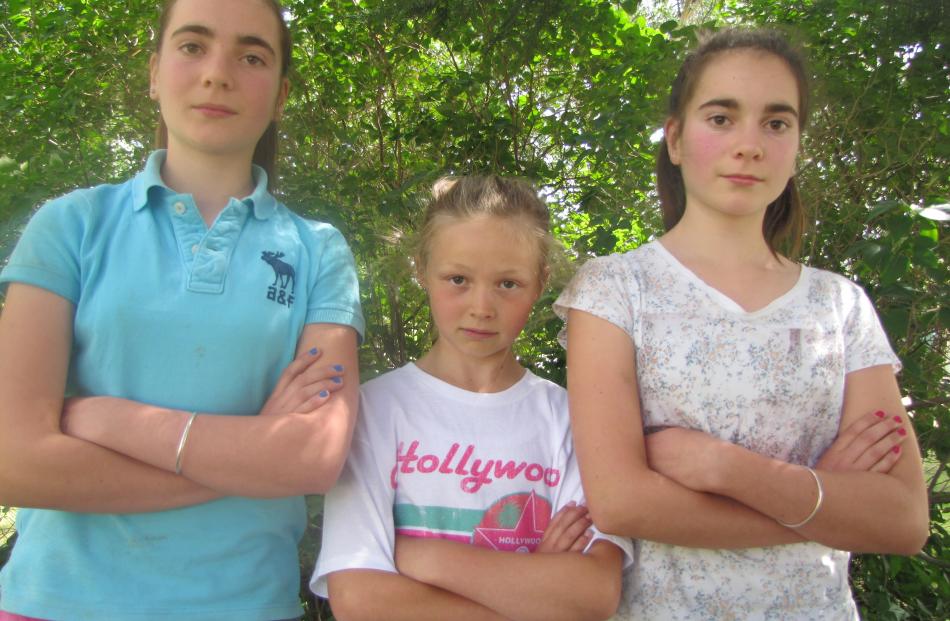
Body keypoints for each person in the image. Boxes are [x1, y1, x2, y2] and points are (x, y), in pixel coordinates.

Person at [0, 0, 363, 619]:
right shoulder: (70, 226)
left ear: (279, 96)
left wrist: (103, 418)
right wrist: (253, 457)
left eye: (252, 56)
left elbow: (310, 457)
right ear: (153, 72)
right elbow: (15, 462)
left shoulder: (317, 250)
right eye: (193, 46)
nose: (218, 73)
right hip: (53, 603)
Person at [554, 28, 929, 620]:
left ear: (798, 141)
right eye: (722, 118)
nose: (749, 144)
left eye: (776, 123)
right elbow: (621, 503)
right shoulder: (612, 290)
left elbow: (904, 519)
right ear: (675, 139)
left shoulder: (841, 305)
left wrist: (726, 470)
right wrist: (820, 498)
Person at [311, 175, 632, 621]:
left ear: (539, 283)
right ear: (421, 270)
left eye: (508, 284)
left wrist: (422, 558)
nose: (481, 306)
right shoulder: (372, 412)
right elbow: (361, 600)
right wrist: (532, 581)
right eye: (458, 279)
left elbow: (592, 593)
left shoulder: (571, 419)